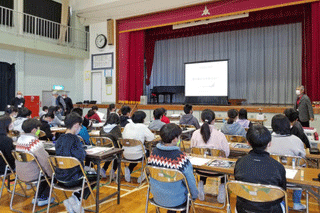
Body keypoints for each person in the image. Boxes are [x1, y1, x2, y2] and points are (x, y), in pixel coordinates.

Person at [234, 125, 286, 213]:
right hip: (270, 210)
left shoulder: (240, 162)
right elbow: (282, 192)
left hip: (244, 208)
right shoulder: (278, 166)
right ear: (269, 143)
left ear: (248, 143)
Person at [147, 123, 198, 212]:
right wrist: (194, 196)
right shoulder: (180, 158)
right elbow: (190, 182)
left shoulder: (153, 153)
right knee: (187, 196)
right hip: (176, 200)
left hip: (157, 196)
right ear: (175, 139)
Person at [55, 112, 96, 213]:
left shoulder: (59, 139)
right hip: (74, 178)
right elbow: (81, 157)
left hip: (59, 177)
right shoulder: (75, 140)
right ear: (76, 125)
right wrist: (83, 150)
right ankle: (76, 197)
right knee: (96, 175)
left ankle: (74, 199)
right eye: (80, 125)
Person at [267, 114, 306, 211]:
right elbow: (303, 160)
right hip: (294, 180)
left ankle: (282, 202)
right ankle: (296, 202)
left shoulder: (267, 139)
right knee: (301, 169)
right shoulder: (296, 140)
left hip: (272, 178)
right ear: (288, 125)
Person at [190, 109, 230, 203]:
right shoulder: (220, 135)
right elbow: (226, 154)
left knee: (204, 160)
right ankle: (222, 189)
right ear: (214, 120)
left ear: (201, 119)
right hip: (217, 170)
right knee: (217, 163)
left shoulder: (195, 134)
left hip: (200, 169)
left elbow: (192, 150)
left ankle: (201, 184)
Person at [15, 118, 54, 206]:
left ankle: (37, 197)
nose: (39, 131)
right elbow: (45, 162)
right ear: (34, 130)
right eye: (38, 129)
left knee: (43, 173)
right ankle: (44, 198)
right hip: (33, 175)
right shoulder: (34, 143)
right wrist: (52, 173)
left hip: (20, 173)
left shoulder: (19, 140)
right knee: (50, 172)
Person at [122, 111, 155, 183]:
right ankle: (144, 174)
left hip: (125, 154)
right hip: (138, 155)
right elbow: (151, 138)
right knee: (150, 154)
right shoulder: (142, 127)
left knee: (137, 151)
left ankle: (129, 169)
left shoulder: (127, 125)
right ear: (142, 119)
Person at [100, 113, 122, 180]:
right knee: (118, 152)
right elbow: (119, 140)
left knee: (111, 152)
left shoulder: (102, 128)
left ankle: (103, 169)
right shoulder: (116, 128)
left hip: (104, 150)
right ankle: (113, 170)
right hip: (113, 150)